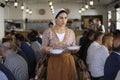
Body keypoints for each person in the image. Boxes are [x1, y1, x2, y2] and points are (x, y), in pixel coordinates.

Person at [40, 8, 77, 80]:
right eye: (61, 18)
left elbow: (73, 48)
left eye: (65, 18)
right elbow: (42, 49)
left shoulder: (71, 32)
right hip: (54, 61)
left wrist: (75, 49)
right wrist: (46, 49)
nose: (64, 20)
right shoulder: (48, 32)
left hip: (68, 61)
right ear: (55, 19)